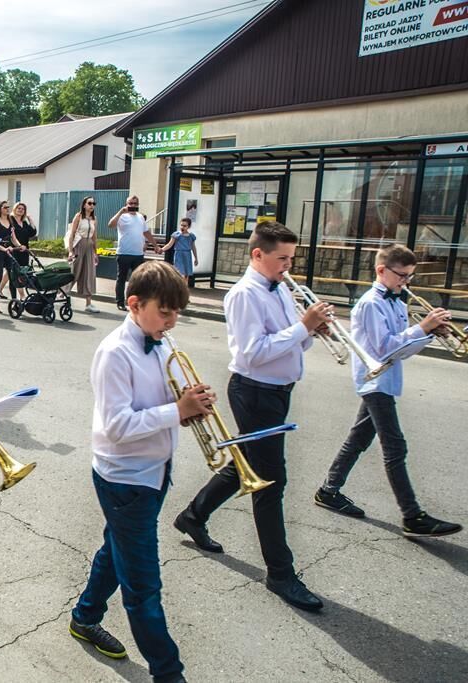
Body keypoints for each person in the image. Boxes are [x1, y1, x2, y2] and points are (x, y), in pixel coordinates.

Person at [173, 221, 332, 612]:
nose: (288, 267)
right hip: (255, 392)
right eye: (282, 259)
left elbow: (289, 340)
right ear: (257, 254)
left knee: (248, 465)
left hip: (277, 392)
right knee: (270, 483)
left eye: (292, 259)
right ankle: (281, 573)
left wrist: (311, 331)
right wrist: (302, 328)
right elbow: (251, 353)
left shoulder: (279, 288)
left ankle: (193, 516)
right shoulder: (245, 294)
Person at [69, 261, 204, 683]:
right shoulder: (115, 352)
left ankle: (84, 617)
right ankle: (169, 673)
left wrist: (189, 403)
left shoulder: (162, 340)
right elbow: (118, 426)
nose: (172, 319)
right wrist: (175, 411)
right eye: (165, 311)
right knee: (144, 589)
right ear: (134, 304)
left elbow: (165, 403)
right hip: (125, 478)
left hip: (154, 471)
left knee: (117, 550)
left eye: (176, 312)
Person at [315, 245, 462, 538]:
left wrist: (430, 332)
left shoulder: (396, 302)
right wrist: (422, 327)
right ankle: (412, 515)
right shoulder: (371, 303)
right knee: (395, 447)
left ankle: (328, 490)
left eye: (409, 277)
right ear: (381, 270)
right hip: (374, 381)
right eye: (402, 276)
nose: (406, 282)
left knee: (358, 439)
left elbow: (401, 349)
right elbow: (384, 348)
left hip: (386, 379)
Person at [109, 196, 157, 311]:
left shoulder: (140, 217)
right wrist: (121, 211)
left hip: (138, 254)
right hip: (124, 253)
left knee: (138, 280)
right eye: (130, 203)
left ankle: (135, 302)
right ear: (126, 204)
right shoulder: (122, 216)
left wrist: (155, 245)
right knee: (121, 278)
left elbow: (146, 232)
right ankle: (120, 302)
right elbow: (110, 225)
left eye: (135, 203)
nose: (133, 205)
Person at [0, 201, 23, 313]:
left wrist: (19, 246)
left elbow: (13, 238)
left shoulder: (10, 222)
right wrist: (4, 249)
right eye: (5, 207)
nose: (7, 209)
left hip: (9, 252)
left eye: (8, 207)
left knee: (12, 276)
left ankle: (14, 302)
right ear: (0, 209)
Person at [68, 196, 99, 313]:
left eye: (93, 203)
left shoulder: (94, 219)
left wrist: (96, 252)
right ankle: (62, 294)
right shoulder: (79, 216)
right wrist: (71, 250)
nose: (92, 206)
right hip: (79, 244)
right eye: (90, 203)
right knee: (74, 270)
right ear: (84, 205)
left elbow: (95, 236)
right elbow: (72, 234)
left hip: (89, 245)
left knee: (89, 273)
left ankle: (88, 303)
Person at [160, 218, 198, 287]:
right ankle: (178, 287)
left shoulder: (191, 236)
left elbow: (193, 247)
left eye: (185, 226)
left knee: (186, 274)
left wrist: (196, 258)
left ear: (188, 227)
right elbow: (169, 244)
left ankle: (185, 288)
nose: (182, 227)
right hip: (179, 254)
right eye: (181, 225)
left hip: (187, 255)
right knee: (179, 272)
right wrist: (162, 249)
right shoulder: (176, 235)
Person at [9, 201, 37, 271]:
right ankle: (0, 282)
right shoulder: (11, 220)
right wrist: (19, 246)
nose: (21, 210)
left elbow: (33, 232)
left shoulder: (24, 222)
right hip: (14, 249)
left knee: (23, 270)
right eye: (19, 208)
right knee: (13, 270)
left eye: (23, 209)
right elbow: (12, 236)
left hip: (25, 249)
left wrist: (29, 218)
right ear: (14, 209)